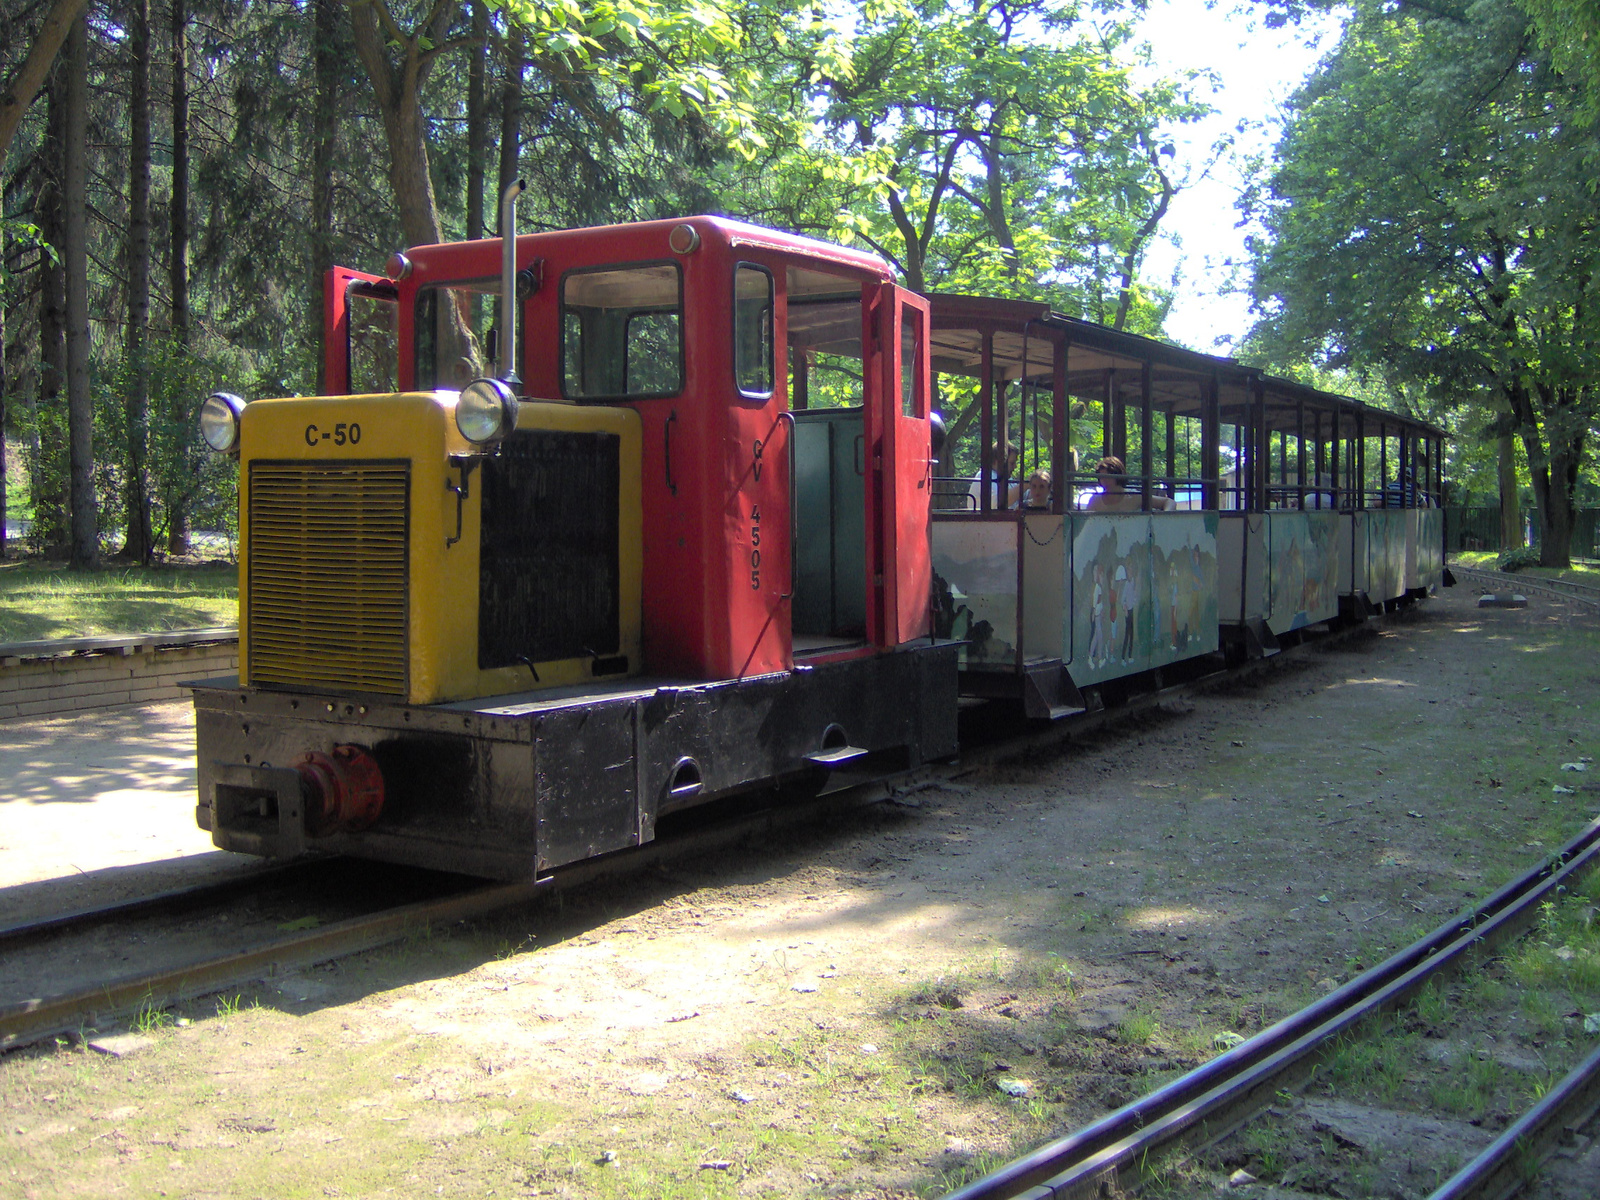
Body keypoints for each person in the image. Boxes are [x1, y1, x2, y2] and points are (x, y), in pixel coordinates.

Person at [1086, 456, 1169, 512]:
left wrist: (1164, 517)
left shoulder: (1134, 497)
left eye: (1108, 476)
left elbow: (1168, 502)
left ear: (1118, 475)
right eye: (1101, 477)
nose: (1104, 480)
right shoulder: (1094, 500)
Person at [968, 440, 1020, 510]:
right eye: (1012, 463)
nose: (1015, 466)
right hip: (986, 520)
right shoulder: (984, 476)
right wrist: (1025, 485)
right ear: (997, 461)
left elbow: (1024, 495)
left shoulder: (1006, 478)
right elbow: (999, 502)